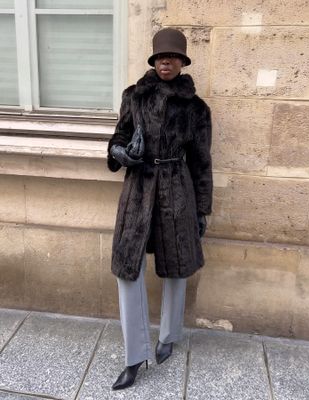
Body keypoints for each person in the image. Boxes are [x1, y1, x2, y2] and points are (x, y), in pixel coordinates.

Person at [107, 27, 213, 390]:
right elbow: (117, 139)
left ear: (182, 61)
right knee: (128, 268)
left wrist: (202, 208)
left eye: (172, 56)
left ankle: (168, 335)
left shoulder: (196, 109)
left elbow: (201, 162)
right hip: (138, 189)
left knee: (176, 266)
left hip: (177, 188)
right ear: (153, 60)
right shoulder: (134, 97)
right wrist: (122, 153)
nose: (165, 62)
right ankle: (134, 356)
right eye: (159, 57)